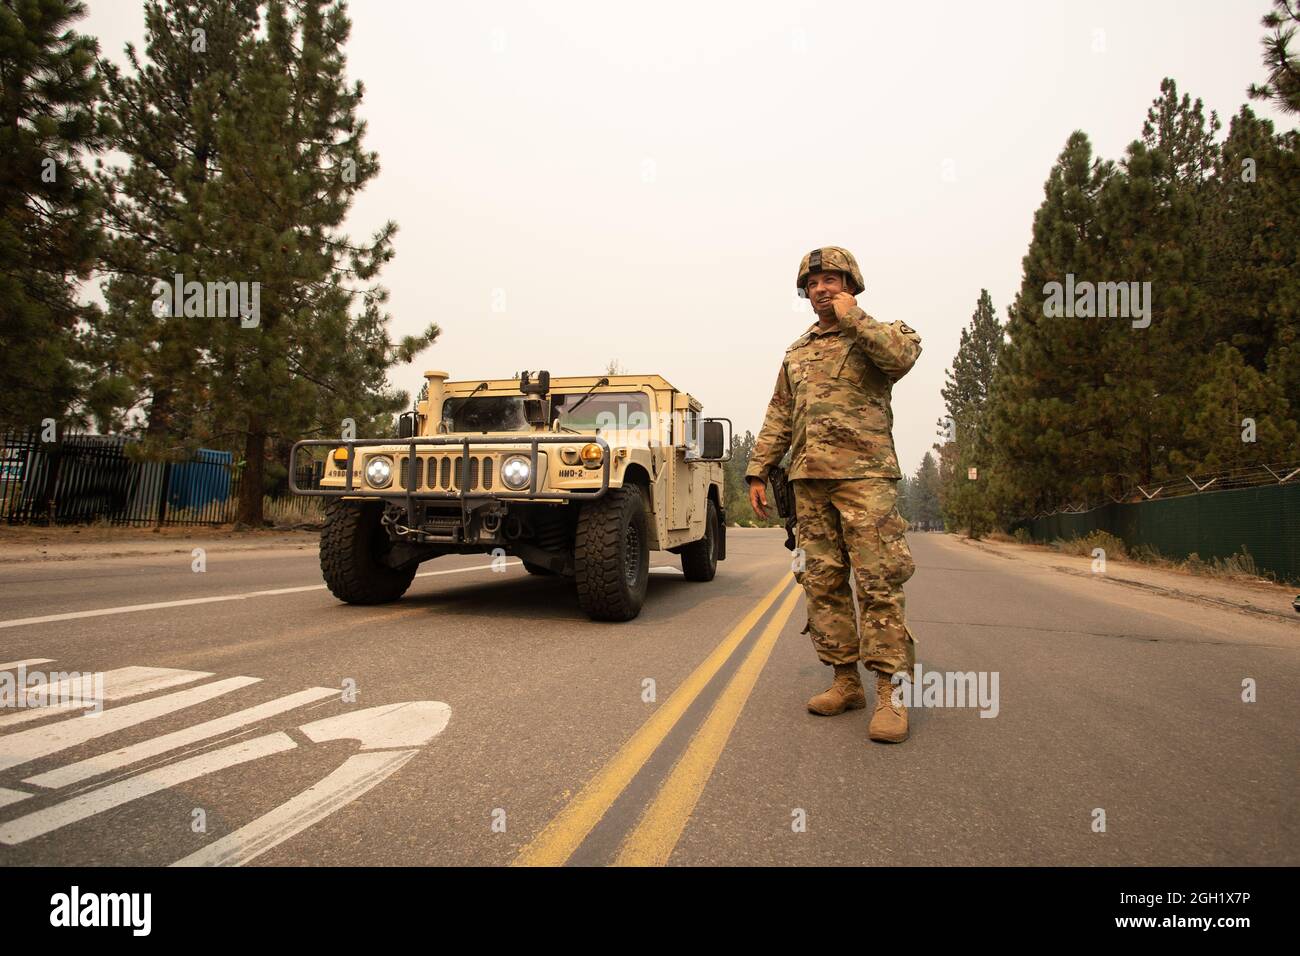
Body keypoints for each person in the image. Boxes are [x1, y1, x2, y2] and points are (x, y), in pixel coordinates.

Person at [745, 246, 922, 743]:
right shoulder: (797, 352)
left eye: (832, 280)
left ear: (852, 283)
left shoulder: (881, 334)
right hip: (809, 483)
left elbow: (901, 359)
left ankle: (890, 691)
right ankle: (846, 681)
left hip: (865, 479)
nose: (821, 289)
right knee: (821, 581)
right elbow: (779, 413)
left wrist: (855, 319)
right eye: (813, 282)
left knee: (878, 580)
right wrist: (759, 471)